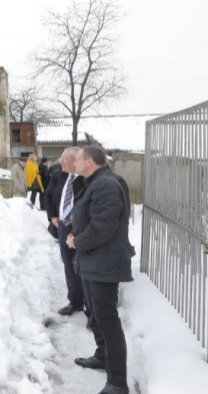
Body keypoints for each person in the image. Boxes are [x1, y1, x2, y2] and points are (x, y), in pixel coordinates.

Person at [67, 145, 132, 394]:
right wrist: (76, 232)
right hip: (93, 261)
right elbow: (88, 219)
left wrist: (76, 241)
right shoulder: (93, 183)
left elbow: (103, 227)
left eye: (79, 160)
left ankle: (117, 382)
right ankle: (102, 356)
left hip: (104, 263)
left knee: (107, 320)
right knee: (95, 314)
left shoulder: (105, 185)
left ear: (91, 162)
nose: (75, 164)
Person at [46, 147, 85, 316]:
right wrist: (52, 216)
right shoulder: (58, 175)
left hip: (82, 229)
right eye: (61, 158)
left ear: (75, 162)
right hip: (63, 226)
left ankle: (89, 304)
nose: (60, 162)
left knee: (83, 265)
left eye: (64, 159)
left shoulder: (85, 179)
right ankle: (75, 302)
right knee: (68, 264)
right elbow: (48, 196)